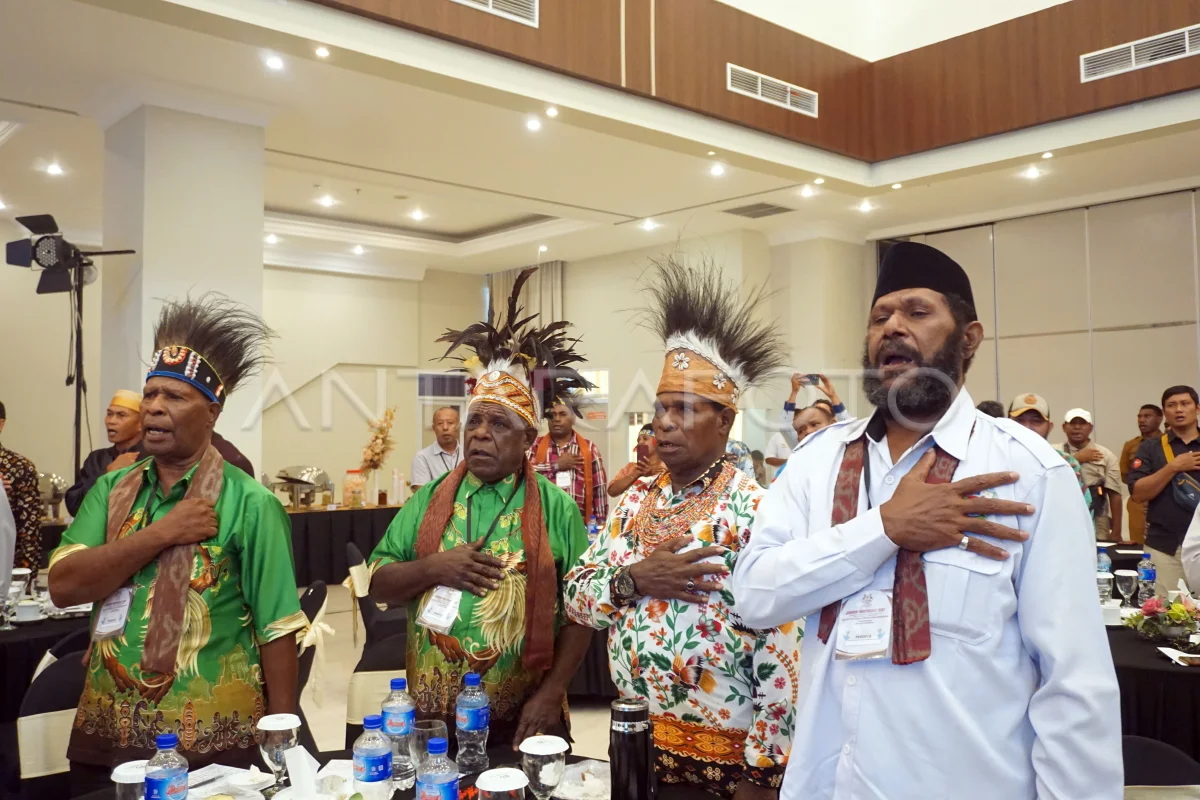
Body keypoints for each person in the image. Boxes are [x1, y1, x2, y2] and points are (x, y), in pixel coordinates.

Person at [733, 241, 1120, 799]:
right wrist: (884, 528)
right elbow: (754, 597)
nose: (892, 327)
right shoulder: (816, 462)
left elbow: (1074, 683)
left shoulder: (1028, 473)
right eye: (879, 317)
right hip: (824, 784)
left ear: (969, 338)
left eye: (917, 312)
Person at [564, 255, 799, 799]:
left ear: (725, 420)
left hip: (727, 768)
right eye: (660, 409)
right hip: (635, 744)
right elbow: (576, 598)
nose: (664, 424)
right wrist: (634, 579)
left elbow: (784, 652)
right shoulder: (634, 501)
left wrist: (763, 775)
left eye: (685, 409)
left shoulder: (759, 511)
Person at [48, 296, 306, 789]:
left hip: (213, 740)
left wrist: (281, 733)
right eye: (150, 394)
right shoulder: (111, 489)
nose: (154, 407)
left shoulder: (251, 504)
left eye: (174, 396)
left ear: (211, 413)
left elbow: (277, 628)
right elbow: (63, 586)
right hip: (109, 729)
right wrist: (162, 533)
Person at [369, 266, 593, 747]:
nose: (480, 434)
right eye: (475, 422)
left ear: (528, 438)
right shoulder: (429, 499)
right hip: (432, 724)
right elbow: (378, 582)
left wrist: (552, 693)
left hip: (524, 715)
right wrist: (433, 567)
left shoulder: (556, 508)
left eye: (498, 425)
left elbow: (582, 613)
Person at [1129, 385, 1200, 595]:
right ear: (1164, 413)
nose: (1178, 409)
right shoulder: (1150, 447)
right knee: (1163, 610)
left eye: (1185, 404)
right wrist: (1173, 467)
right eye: (1171, 405)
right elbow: (1138, 494)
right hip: (1164, 545)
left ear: (1197, 408)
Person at [65, 390, 144, 517]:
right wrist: (108, 474)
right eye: (109, 414)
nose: (111, 421)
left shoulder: (151, 458)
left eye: (121, 415)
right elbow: (75, 506)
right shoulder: (96, 459)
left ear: (141, 423)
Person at [529, 401, 608, 526]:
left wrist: (600, 524)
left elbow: (599, 490)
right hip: (542, 524)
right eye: (552, 415)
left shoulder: (589, 449)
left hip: (578, 524)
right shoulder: (534, 446)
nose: (556, 419)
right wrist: (555, 466)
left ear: (573, 418)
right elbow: (524, 476)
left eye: (562, 414)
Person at [1008, 394, 1092, 505]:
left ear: (1049, 427)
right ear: (1005, 424)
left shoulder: (1065, 462)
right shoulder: (994, 460)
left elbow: (1085, 510)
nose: (1027, 427)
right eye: (1019, 420)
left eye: (1036, 421)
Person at [1059, 408, 1123, 541]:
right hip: (1061, 514)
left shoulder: (1106, 455)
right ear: (1064, 427)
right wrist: (1077, 458)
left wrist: (1116, 532)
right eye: (1072, 423)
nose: (1077, 427)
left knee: (1098, 550)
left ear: (1090, 428)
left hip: (1097, 515)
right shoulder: (1054, 451)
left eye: (1082, 423)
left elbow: (1115, 494)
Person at [765, 374, 850, 470]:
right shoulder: (802, 444)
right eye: (801, 430)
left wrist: (833, 396)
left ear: (832, 422)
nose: (809, 431)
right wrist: (794, 392)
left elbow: (848, 426)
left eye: (815, 423)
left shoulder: (840, 441)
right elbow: (785, 427)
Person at [0, 401, 42, 568]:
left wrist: (26, 574)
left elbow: (29, 531)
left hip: (6, 565)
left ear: (1, 424)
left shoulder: (19, 467)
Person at [1121, 404, 1163, 545]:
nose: (1142, 420)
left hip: (1163, 499)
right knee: (1137, 543)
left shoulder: (1168, 443)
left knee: (1161, 544)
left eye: (1147, 416)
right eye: (1139, 417)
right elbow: (1125, 474)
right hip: (1138, 501)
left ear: (1159, 419)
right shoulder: (1131, 445)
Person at [411, 406, 463, 492]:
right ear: (434, 428)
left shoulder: (468, 455)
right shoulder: (422, 458)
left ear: (459, 426)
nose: (445, 427)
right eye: (440, 423)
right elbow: (422, 494)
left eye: (450, 423)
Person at [608, 424, 665, 498]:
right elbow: (612, 491)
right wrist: (637, 473)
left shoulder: (667, 467)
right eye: (638, 440)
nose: (640, 442)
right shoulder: (631, 467)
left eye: (645, 439)